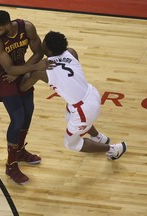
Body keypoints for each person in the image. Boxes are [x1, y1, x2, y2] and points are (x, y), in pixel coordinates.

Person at [20, 30, 127, 159]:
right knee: (69, 113)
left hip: (83, 108)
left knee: (71, 143)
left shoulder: (42, 71)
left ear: (47, 49)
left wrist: (32, 66)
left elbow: (23, 87)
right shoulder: (71, 52)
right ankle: (98, 138)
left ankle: (114, 149)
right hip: (91, 93)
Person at [0, 10, 49, 184]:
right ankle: (11, 165)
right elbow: (9, 70)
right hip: (3, 74)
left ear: (8, 24)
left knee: (29, 110)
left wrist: (24, 70)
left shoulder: (27, 28)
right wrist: (26, 70)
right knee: (17, 117)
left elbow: (39, 53)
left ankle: (20, 151)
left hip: (21, 69)